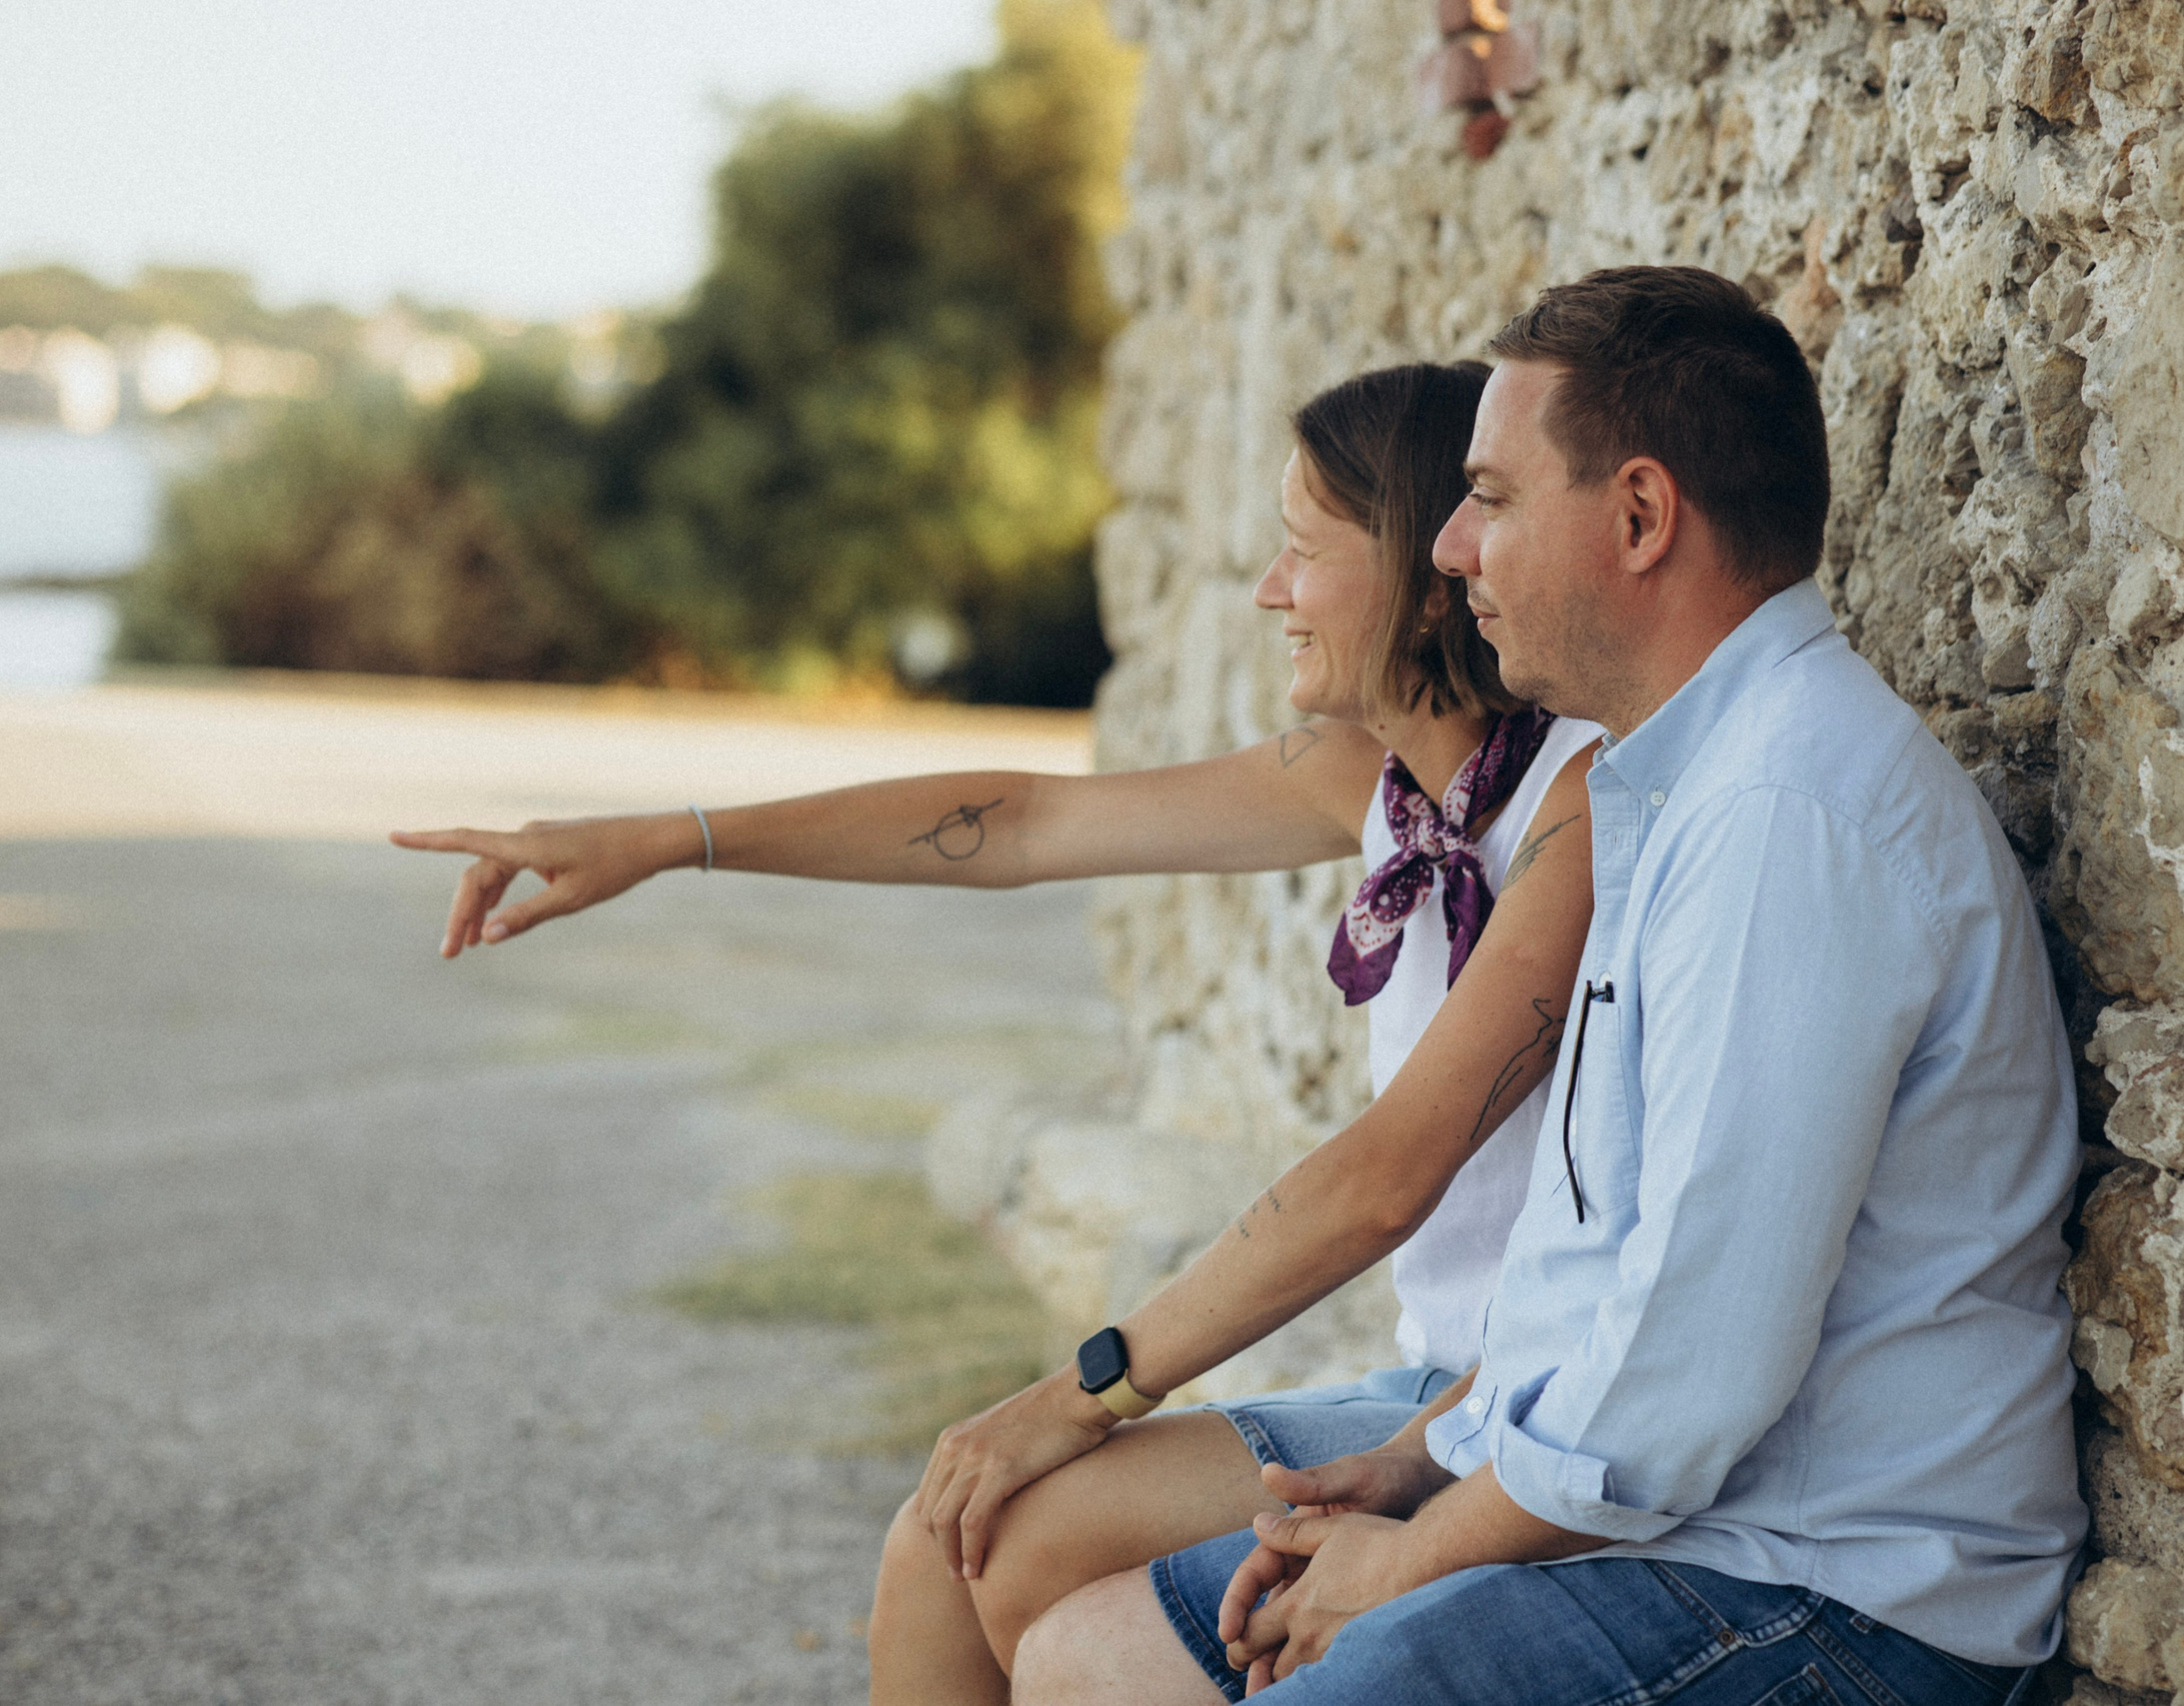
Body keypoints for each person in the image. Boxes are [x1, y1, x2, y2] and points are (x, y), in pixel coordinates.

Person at [389, 361, 1603, 1703]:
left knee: (1022, 1544)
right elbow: (1024, 824)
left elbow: (1382, 1182)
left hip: (1523, 1412)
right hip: (1425, 1390)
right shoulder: (1371, 779)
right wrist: (673, 841)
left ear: (1434, 570)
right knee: (955, 1533)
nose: (1268, 591)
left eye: (1301, 550)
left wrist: (1079, 1393)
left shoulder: (1576, 802)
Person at [1009, 267, 2088, 1706]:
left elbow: (1685, 1372)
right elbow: (1599, 1268)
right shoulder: (1675, 784)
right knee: (1086, 1659)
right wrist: (1411, 1461)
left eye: (1493, 499)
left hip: (1827, 1593)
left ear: (1640, 518)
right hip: (1671, 1520)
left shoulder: (1786, 818)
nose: (1451, 549)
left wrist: (1415, 1556)